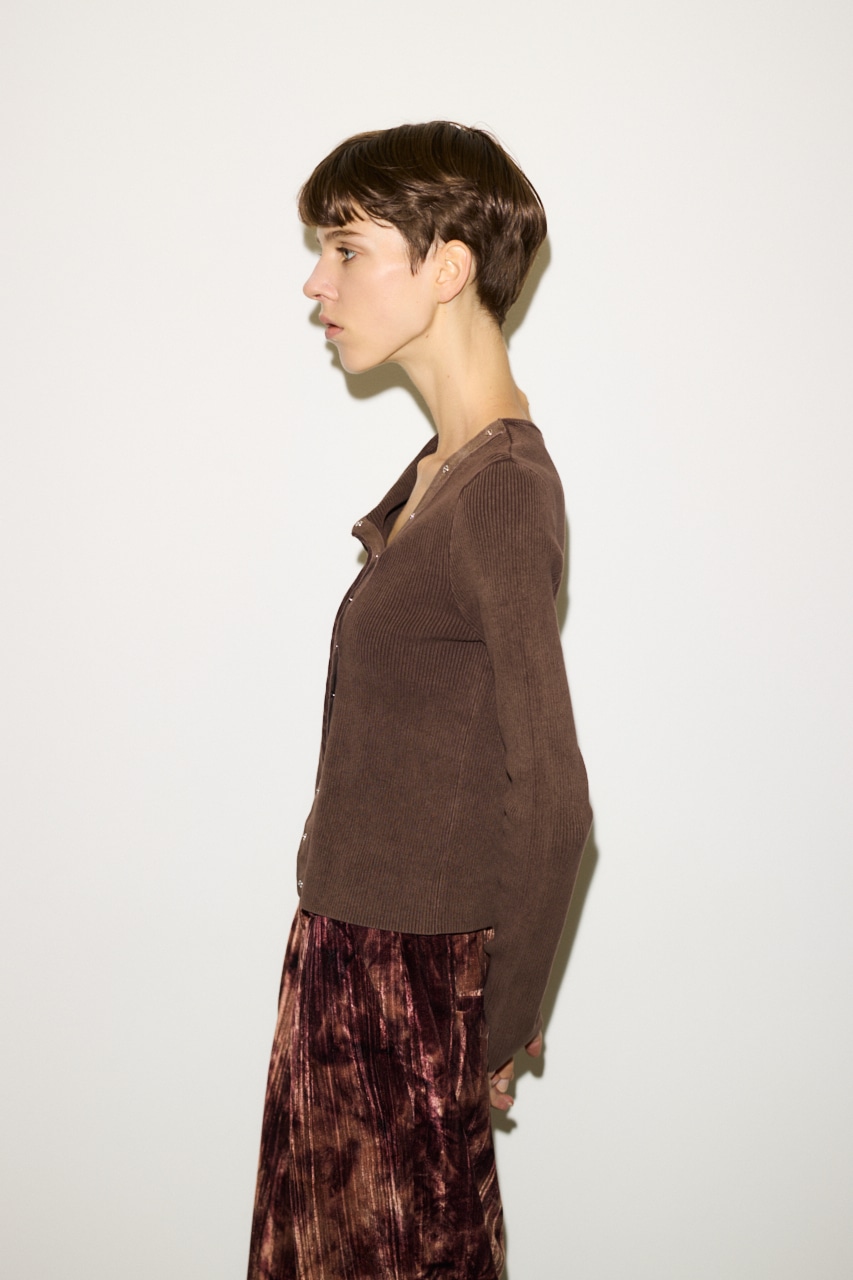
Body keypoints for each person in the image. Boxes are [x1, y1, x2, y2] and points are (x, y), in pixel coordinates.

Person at [247, 121, 592, 1280]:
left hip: (405, 990)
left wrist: (491, 1028)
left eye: (346, 248)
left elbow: (553, 797)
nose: (317, 281)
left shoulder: (501, 488)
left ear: (446, 267)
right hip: (348, 961)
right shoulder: (440, 474)